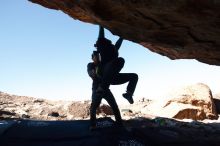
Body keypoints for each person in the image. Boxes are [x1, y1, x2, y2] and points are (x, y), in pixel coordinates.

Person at [94, 25, 138, 104]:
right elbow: (101, 34)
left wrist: (122, 37)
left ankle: (129, 94)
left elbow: (118, 44)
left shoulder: (113, 49)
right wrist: (101, 24)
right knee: (120, 60)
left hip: (112, 77)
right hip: (105, 73)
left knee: (134, 76)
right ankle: (102, 87)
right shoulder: (102, 45)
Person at [87, 51, 123, 130]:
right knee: (93, 107)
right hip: (96, 89)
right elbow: (91, 73)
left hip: (106, 89)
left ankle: (119, 123)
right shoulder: (91, 65)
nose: (97, 57)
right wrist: (94, 73)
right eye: (95, 56)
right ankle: (93, 125)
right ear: (92, 58)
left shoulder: (103, 64)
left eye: (98, 56)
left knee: (114, 106)